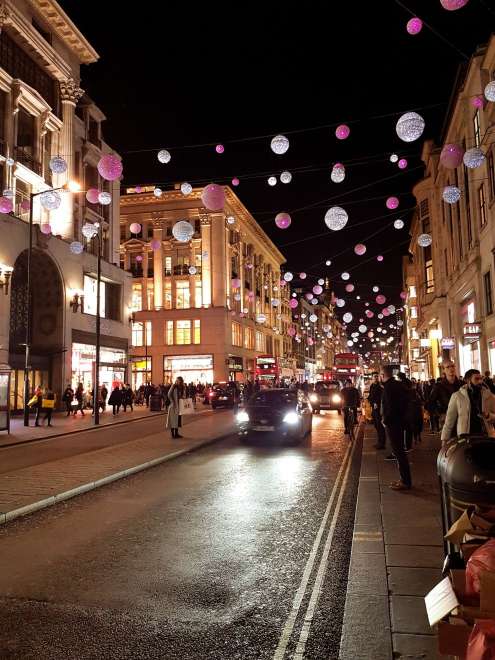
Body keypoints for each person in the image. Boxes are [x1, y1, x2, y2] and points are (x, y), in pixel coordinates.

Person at [441, 369, 495, 443]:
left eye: (481, 378)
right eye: (476, 379)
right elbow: (449, 420)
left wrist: (488, 416)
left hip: (486, 436)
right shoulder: (457, 396)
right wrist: (444, 439)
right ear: (468, 380)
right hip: (465, 437)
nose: (480, 381)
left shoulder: (489, 396)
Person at [381, 365, 412, 491]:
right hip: (401, 421)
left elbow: (390, 406)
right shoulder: (399, 385)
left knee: (398, 452)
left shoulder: (388, 387)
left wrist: (385, 420)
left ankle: (405, 481)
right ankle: (404, 479)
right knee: (400, 451)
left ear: (383, 375)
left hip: (394, 423)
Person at [426, 361, 463, 431]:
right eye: (448, 367)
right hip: (447, 417)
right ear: (444, 370)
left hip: (462, 417)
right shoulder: (439, 386)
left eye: (452, 366)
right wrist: (440, 414)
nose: (451, 369)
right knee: (449, 440)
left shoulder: (462, 384)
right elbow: (431, 402)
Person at [368, 372, 386, 449]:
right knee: (376, 425)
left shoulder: (380, 386)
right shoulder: (372, 386)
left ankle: (382, 444)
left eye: (376, 376)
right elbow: (370, 396)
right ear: (372, 378)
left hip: (379, 409)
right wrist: (369, 400)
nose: (375, 378)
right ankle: (379, 442)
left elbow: (382, 397)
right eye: (374, 376)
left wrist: (376, 403)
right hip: (373, 408)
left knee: (380, 426)